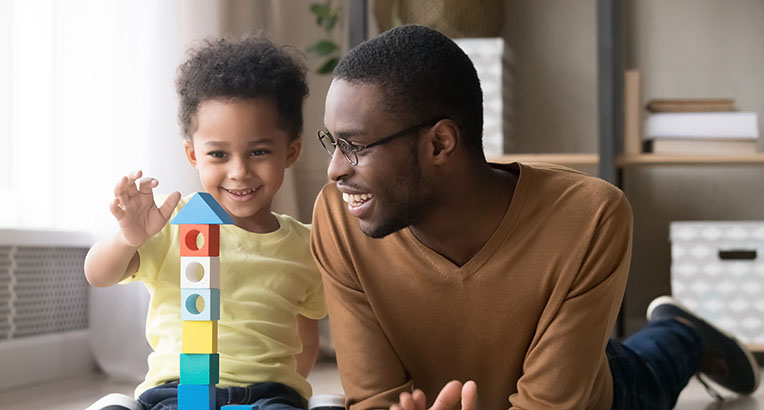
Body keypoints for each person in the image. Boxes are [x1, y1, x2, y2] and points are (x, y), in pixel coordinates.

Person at [310, 25, 760, 410]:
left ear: (440, 144)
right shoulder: (338, 216)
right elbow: (376, 399)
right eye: (333, 143)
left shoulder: (589, 216)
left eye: (356, 146)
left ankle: (682, 332)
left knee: (647, 369)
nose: (334, 170)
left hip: (578, 395)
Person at [84, 35, 326, 410]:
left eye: (259, 152)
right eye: (218, 154)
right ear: (193, 154)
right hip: (176, 391)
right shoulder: (167, 221)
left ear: (290, 151)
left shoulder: (307, 245)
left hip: (266, 394)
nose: (239, 172)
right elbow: (98, 274)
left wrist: (290, 387)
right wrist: (128, 237)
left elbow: (305, 334)